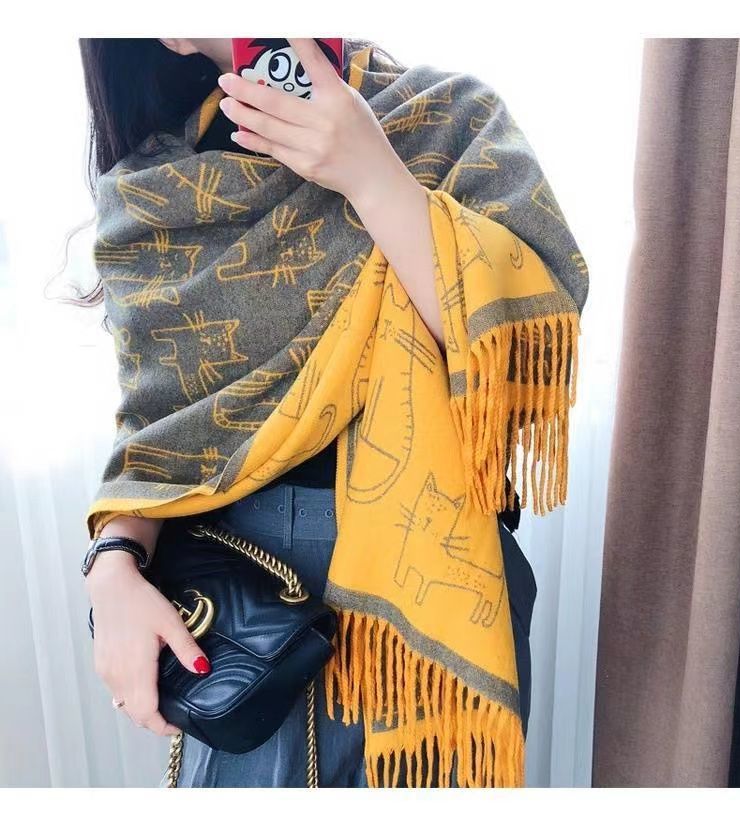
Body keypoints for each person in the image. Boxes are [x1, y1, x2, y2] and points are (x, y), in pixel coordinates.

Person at [78, 37, 586, 787]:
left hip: (432, 600)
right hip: (247, 618)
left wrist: (373, 174)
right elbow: (158, 434)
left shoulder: (452, 120)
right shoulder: (156, 191)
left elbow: (524, 358)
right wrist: (111, 566)